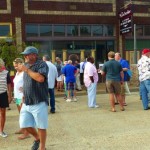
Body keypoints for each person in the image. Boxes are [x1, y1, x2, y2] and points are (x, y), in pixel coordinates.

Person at [18, 46, 49, 150]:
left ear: (34, 55)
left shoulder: (41, 64)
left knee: (41, 126)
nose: (25, 56)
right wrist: (24, 95)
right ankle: (37, 138)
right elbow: (27, 81)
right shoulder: (26, 65)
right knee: (24, 124)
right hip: (27, 101)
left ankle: (42, 147)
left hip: (39, 100)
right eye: (25, 55)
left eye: (27, 54)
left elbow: (40, 78)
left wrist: (27, 70)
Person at [13, 58, 30, 140]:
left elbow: (28, 83)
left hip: (22, 96)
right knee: (20, 113)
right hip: (17, 96)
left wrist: (24, 90)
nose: (15, 67)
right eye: (14, 66)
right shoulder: (17, 73)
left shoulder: (24, 73)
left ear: (21, 64)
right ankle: (23, 128)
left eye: (16, 66)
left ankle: (27, 133)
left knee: (24, 114)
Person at [0, 58, 12, 138]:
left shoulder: (6, 73)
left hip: (3, 94)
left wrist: (10, 95)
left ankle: (1, 130)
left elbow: (9, 84)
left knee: (3, 113)